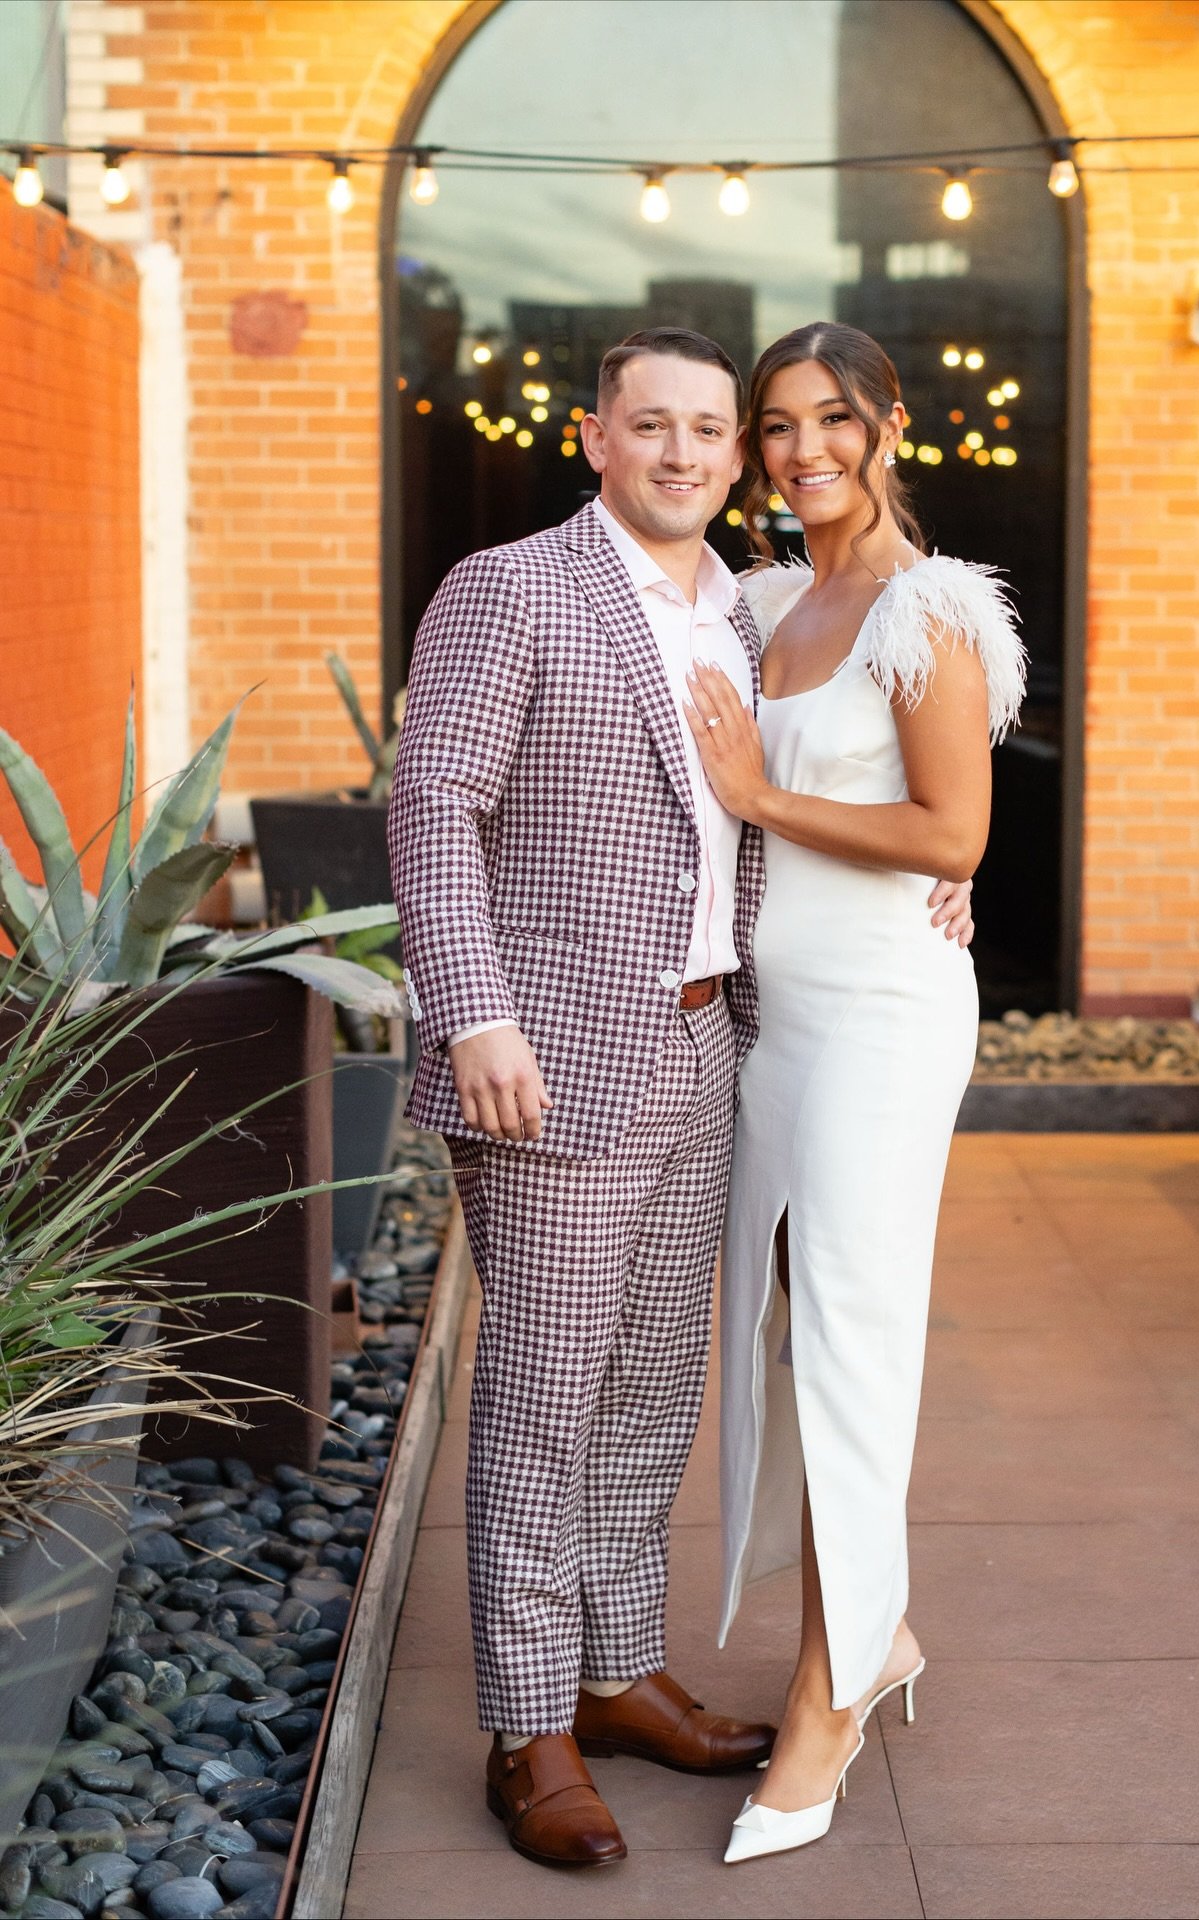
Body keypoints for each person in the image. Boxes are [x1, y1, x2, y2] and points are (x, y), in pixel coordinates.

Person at [387, 326, 975, 1871]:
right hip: (554, 1058)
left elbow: (777, 821)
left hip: (722, 1045)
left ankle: (616, 1664)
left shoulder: (745, 610)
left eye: (714, 431)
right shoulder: (511, 588)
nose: (687, 453)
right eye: (653, 425)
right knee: (544, 1390)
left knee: (654, 1387)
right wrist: (476, 1016)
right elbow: (435, 803)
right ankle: (529, 1729)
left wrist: (916, 901)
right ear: (594, 436)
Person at [681, 320, 1025, 1864]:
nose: (802, 448)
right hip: (780, 1019)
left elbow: (955, 839)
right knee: (782, 1331)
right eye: (776, 426)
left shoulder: (926, 609)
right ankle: (870, 1635)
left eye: (832, 419)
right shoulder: (766, 603)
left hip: (884, 1015)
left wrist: (762, 795)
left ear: (889, 424)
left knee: (848, 1341)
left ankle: (831, 1689)